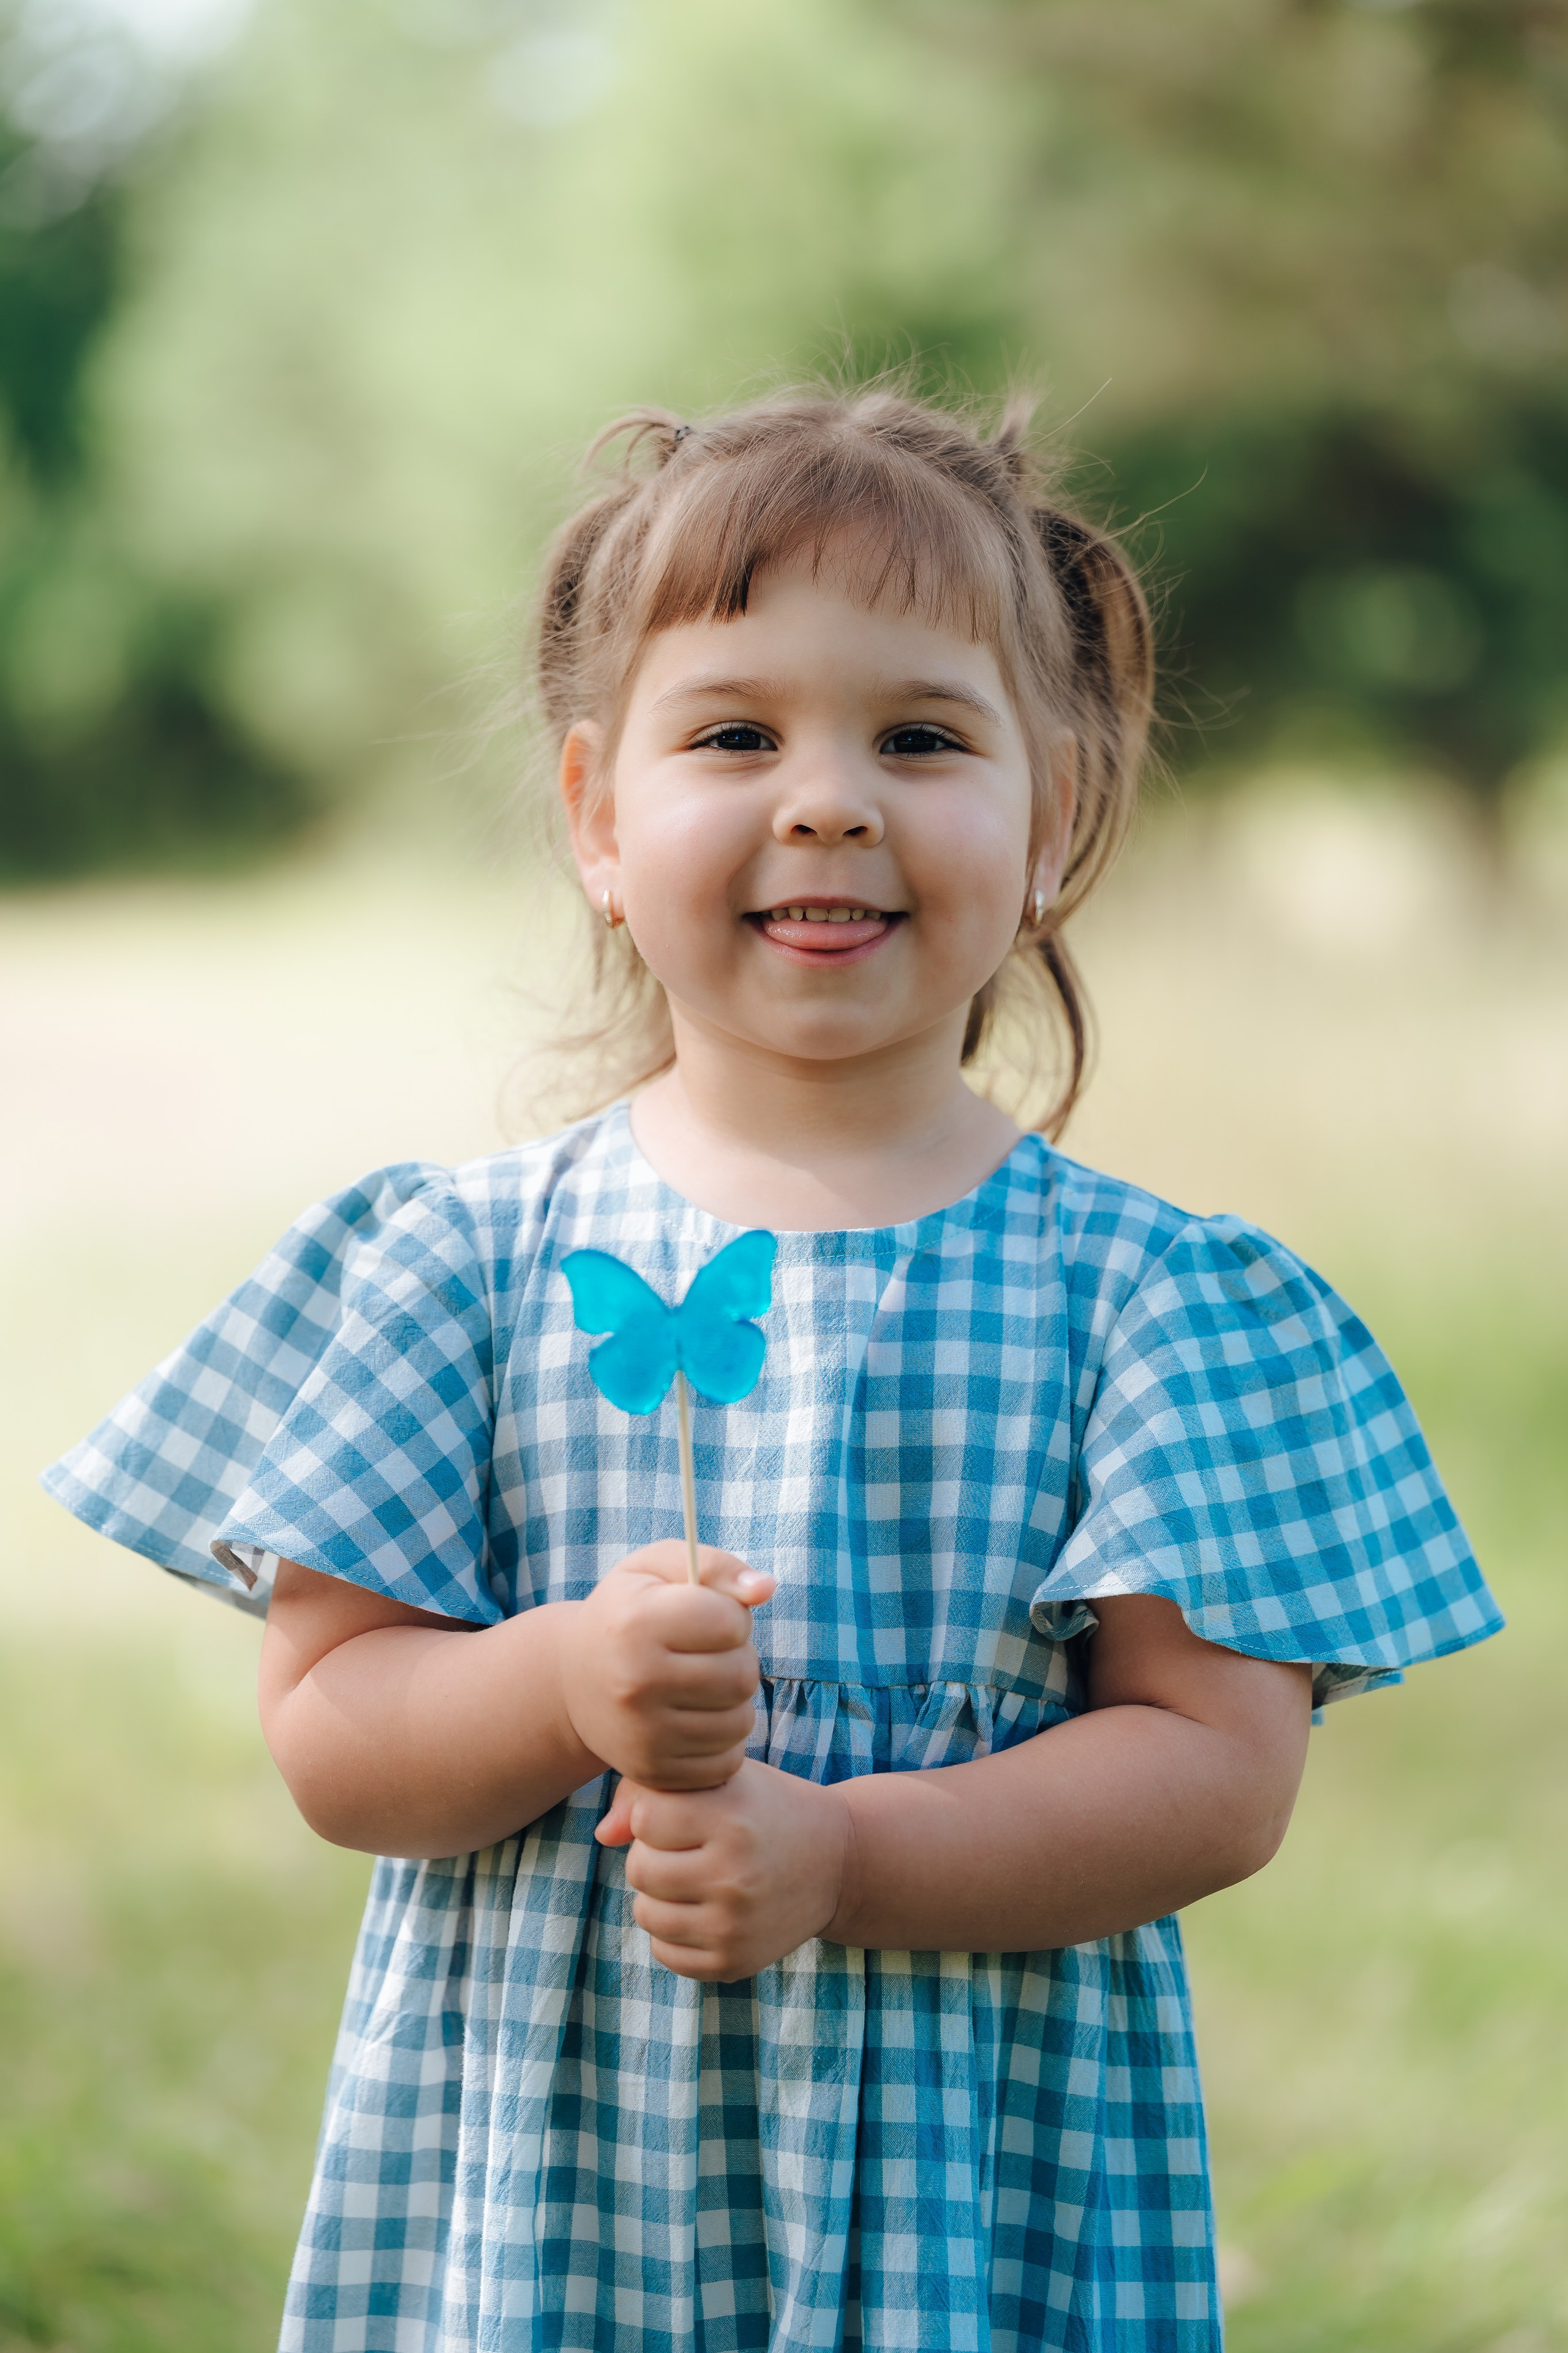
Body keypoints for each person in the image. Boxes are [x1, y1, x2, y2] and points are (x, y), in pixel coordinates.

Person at [43, 388, 1502, 2353]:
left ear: (1055, 815)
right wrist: (560, 1675)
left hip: (971, 2202)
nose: (827, 800)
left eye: (921, 737)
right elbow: (332, 1728)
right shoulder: (463, 1269)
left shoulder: (1150, 1302)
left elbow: (1216, 1774)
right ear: (598, 816)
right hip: (562, 2204)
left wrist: (847, 1852)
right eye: (736, 735)